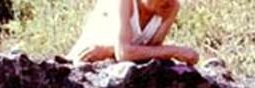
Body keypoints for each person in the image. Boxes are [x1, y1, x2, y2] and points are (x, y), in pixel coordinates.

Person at [68, 0, 199, 65]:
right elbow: (124, 54)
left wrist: (110, 50)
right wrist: (174, 51)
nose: (168, 2)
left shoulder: (170, 6)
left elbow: (151, 53)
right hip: (82, 68)